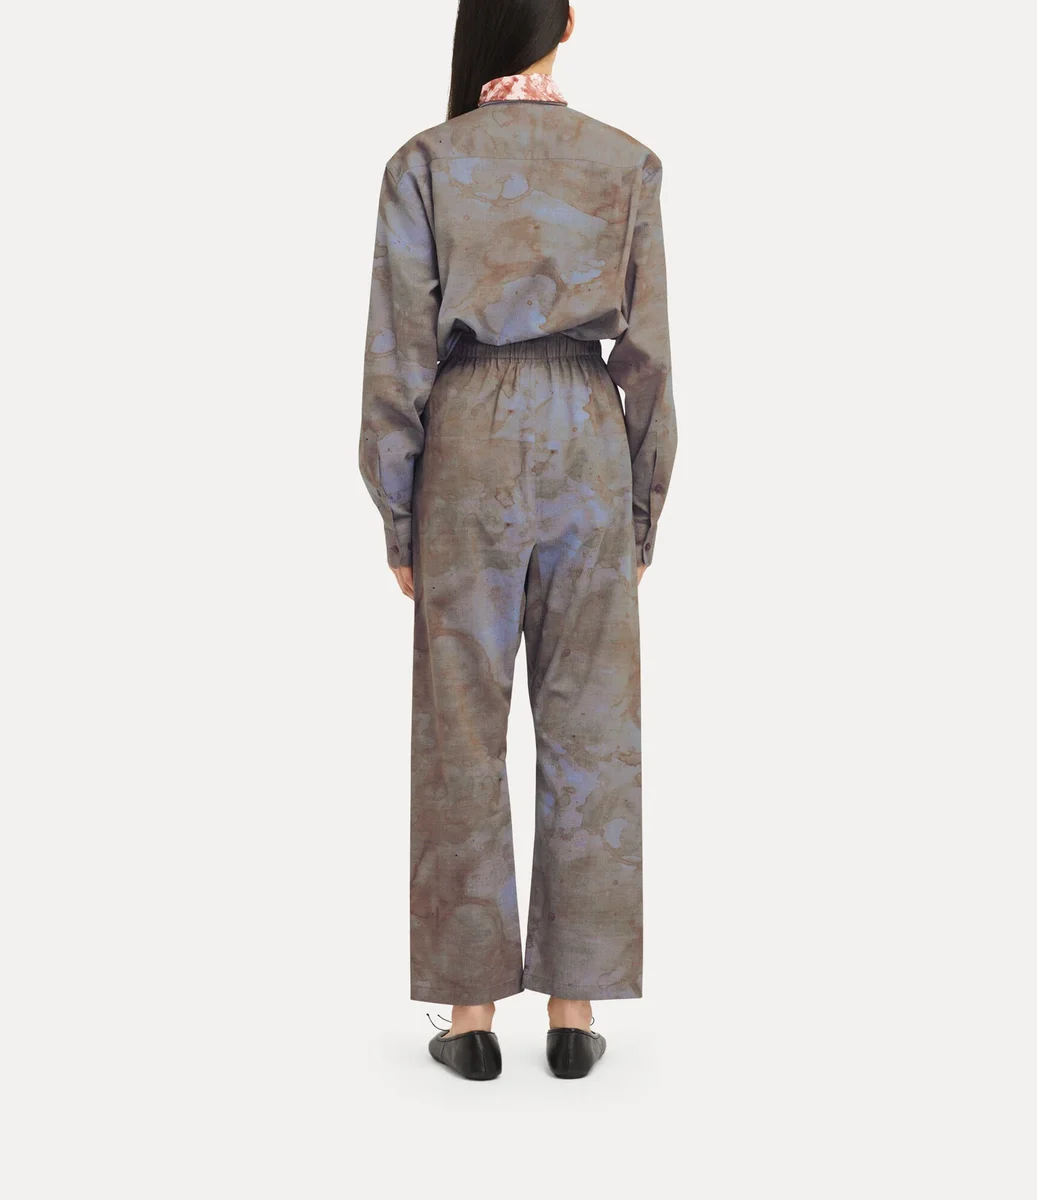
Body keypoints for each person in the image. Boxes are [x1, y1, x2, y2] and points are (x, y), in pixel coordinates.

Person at [358, 0, 677, 1080]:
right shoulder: (625, 162)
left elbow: (396, 352)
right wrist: (641, 505)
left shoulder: (424, 162)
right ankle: (575, 1012)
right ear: (566, 23)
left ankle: (469, 1018)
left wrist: (398, 508)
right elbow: (647, 356)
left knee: (461, 725)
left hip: (467, 442)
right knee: (592, 725)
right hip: (588, 431)